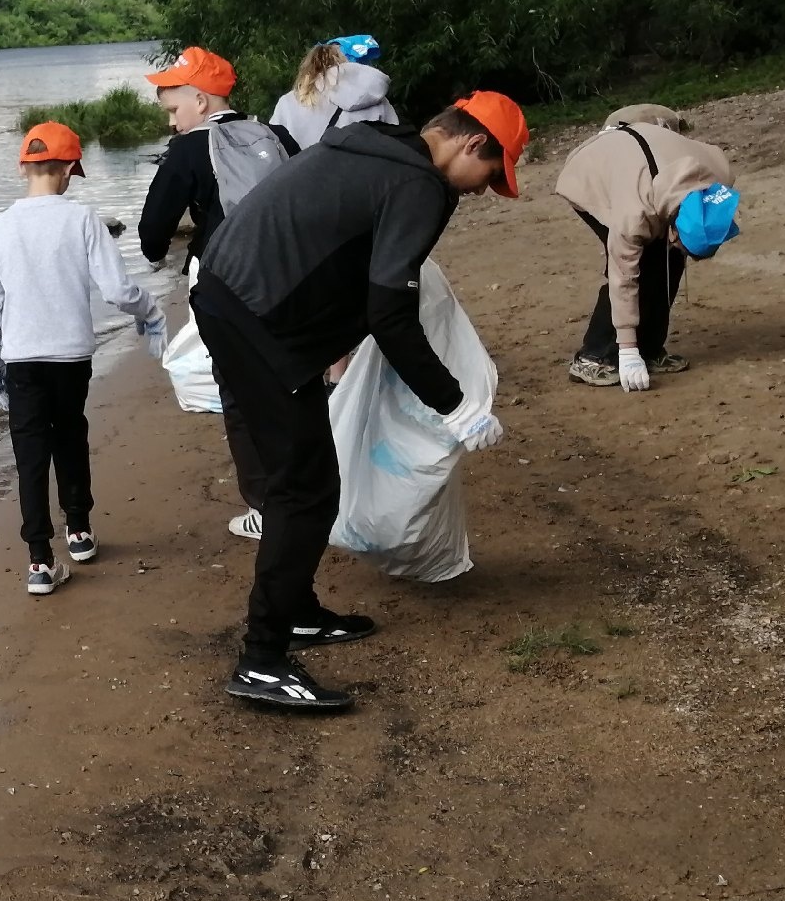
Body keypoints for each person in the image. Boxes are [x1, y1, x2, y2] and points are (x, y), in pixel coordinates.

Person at [190, 93, 527, 711]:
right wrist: (455, 406)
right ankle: (263, 658)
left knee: (307, 475)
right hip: (257, 319)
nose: (484, 191)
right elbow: (390, 314)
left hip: (227, 291)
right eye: (491, 176)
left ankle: (296, 613)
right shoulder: (420, 186)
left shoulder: (371, 144)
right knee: (306, 491)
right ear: (472, 144)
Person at [0, 121, 164, 596]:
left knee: (30, 455)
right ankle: (79, 532)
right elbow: (119, 290)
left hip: (21, 358)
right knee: (71, 435)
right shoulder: (82, 220)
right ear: (67, 171)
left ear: (24, 167)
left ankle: (40, 561)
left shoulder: (0, 227)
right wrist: (150, 309)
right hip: (71, 356)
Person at [134, 45, 295, 543]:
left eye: (173, 108)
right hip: (290, 276)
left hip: (227, 285)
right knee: (291, 380)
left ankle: (266, 508)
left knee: (239, 392)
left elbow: (152, 228)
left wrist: (158, 253)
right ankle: (308, 487)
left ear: (200, 101)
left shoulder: (187, 150)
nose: (171, 122)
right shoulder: (278, 135)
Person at [554, 106, 740, 390]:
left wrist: (679, 246)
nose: (679, 246)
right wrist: (628, 350)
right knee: (642, 264)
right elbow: (623, 277)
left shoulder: (718, 177)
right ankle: (594, 356)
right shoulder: (634, 216)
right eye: (680, 240)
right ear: (674, 226)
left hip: (645, 161)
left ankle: (651, 348)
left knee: (670, 258)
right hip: (592, 175)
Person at [269, 35, 401, 152]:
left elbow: (276, 150)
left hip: (308, 177)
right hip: (369, 177)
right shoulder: (375, 98)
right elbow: (398, 145)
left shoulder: (288, 103)